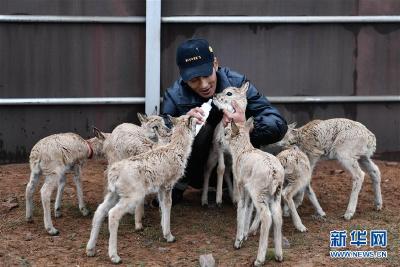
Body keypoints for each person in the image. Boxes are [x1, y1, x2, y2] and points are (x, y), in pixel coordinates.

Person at [161, 38, 288, 204]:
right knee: (200, 128)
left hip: (235, 167)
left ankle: (248, 185)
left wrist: (247, 125)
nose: (204, 85)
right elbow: (160, 131)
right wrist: (182, 123)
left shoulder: (238, 85)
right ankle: (178, 185)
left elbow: (277, 122)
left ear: (215, 64)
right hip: (196, 171)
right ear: (184, 78)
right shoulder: (174, 95)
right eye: (194, 80)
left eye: (207, 75)